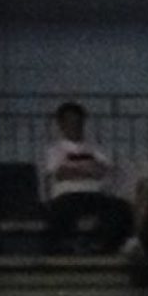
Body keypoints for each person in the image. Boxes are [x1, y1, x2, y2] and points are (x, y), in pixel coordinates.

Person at [40, 102, 131, 252]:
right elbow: (60, 173)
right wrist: (89, 169)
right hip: (67, 195)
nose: (74, 125)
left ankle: (106, 248)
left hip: (95, 194)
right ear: (61, 124)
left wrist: (75, 169)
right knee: (58, 213)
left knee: (120, 209)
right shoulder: (54, 150)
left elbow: (105, 171)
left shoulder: (96, 148)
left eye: (77, 121)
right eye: (70, 121)